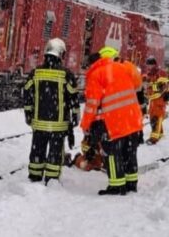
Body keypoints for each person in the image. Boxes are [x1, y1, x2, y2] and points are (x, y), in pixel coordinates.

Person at [81, 46, 143, 195]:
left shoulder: (96, 74)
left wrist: (85, 124)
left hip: (113, 122)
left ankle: (116, 186)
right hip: (133, 118)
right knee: (130, 152)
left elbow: (92, 104)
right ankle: (131, 184)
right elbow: (137, 85)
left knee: (111, 153)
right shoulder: (123, 68)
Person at [22, 38, 78, 185]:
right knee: (55, 151)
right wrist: (75, 116)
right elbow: (73, 98)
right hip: (58, 125)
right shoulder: (66, 75)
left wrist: (28, 113)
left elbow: (27, 93)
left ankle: (34, 175)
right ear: (61, 54)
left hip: (39, 122)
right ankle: (51, 179)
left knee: (37, 150)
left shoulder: (35, 73)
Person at [144, 56, 169, 144]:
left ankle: (154, 138)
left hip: (160, 99)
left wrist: (166, 92)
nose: (148, 67)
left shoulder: (160, 73)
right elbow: (148, 85)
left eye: (149, 65)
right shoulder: (150, 74)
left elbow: (166, 84)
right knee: (152, 117)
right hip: (153, 99)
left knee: (156, 118)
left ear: (154, 64)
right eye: (148, 66)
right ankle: (160, 132)